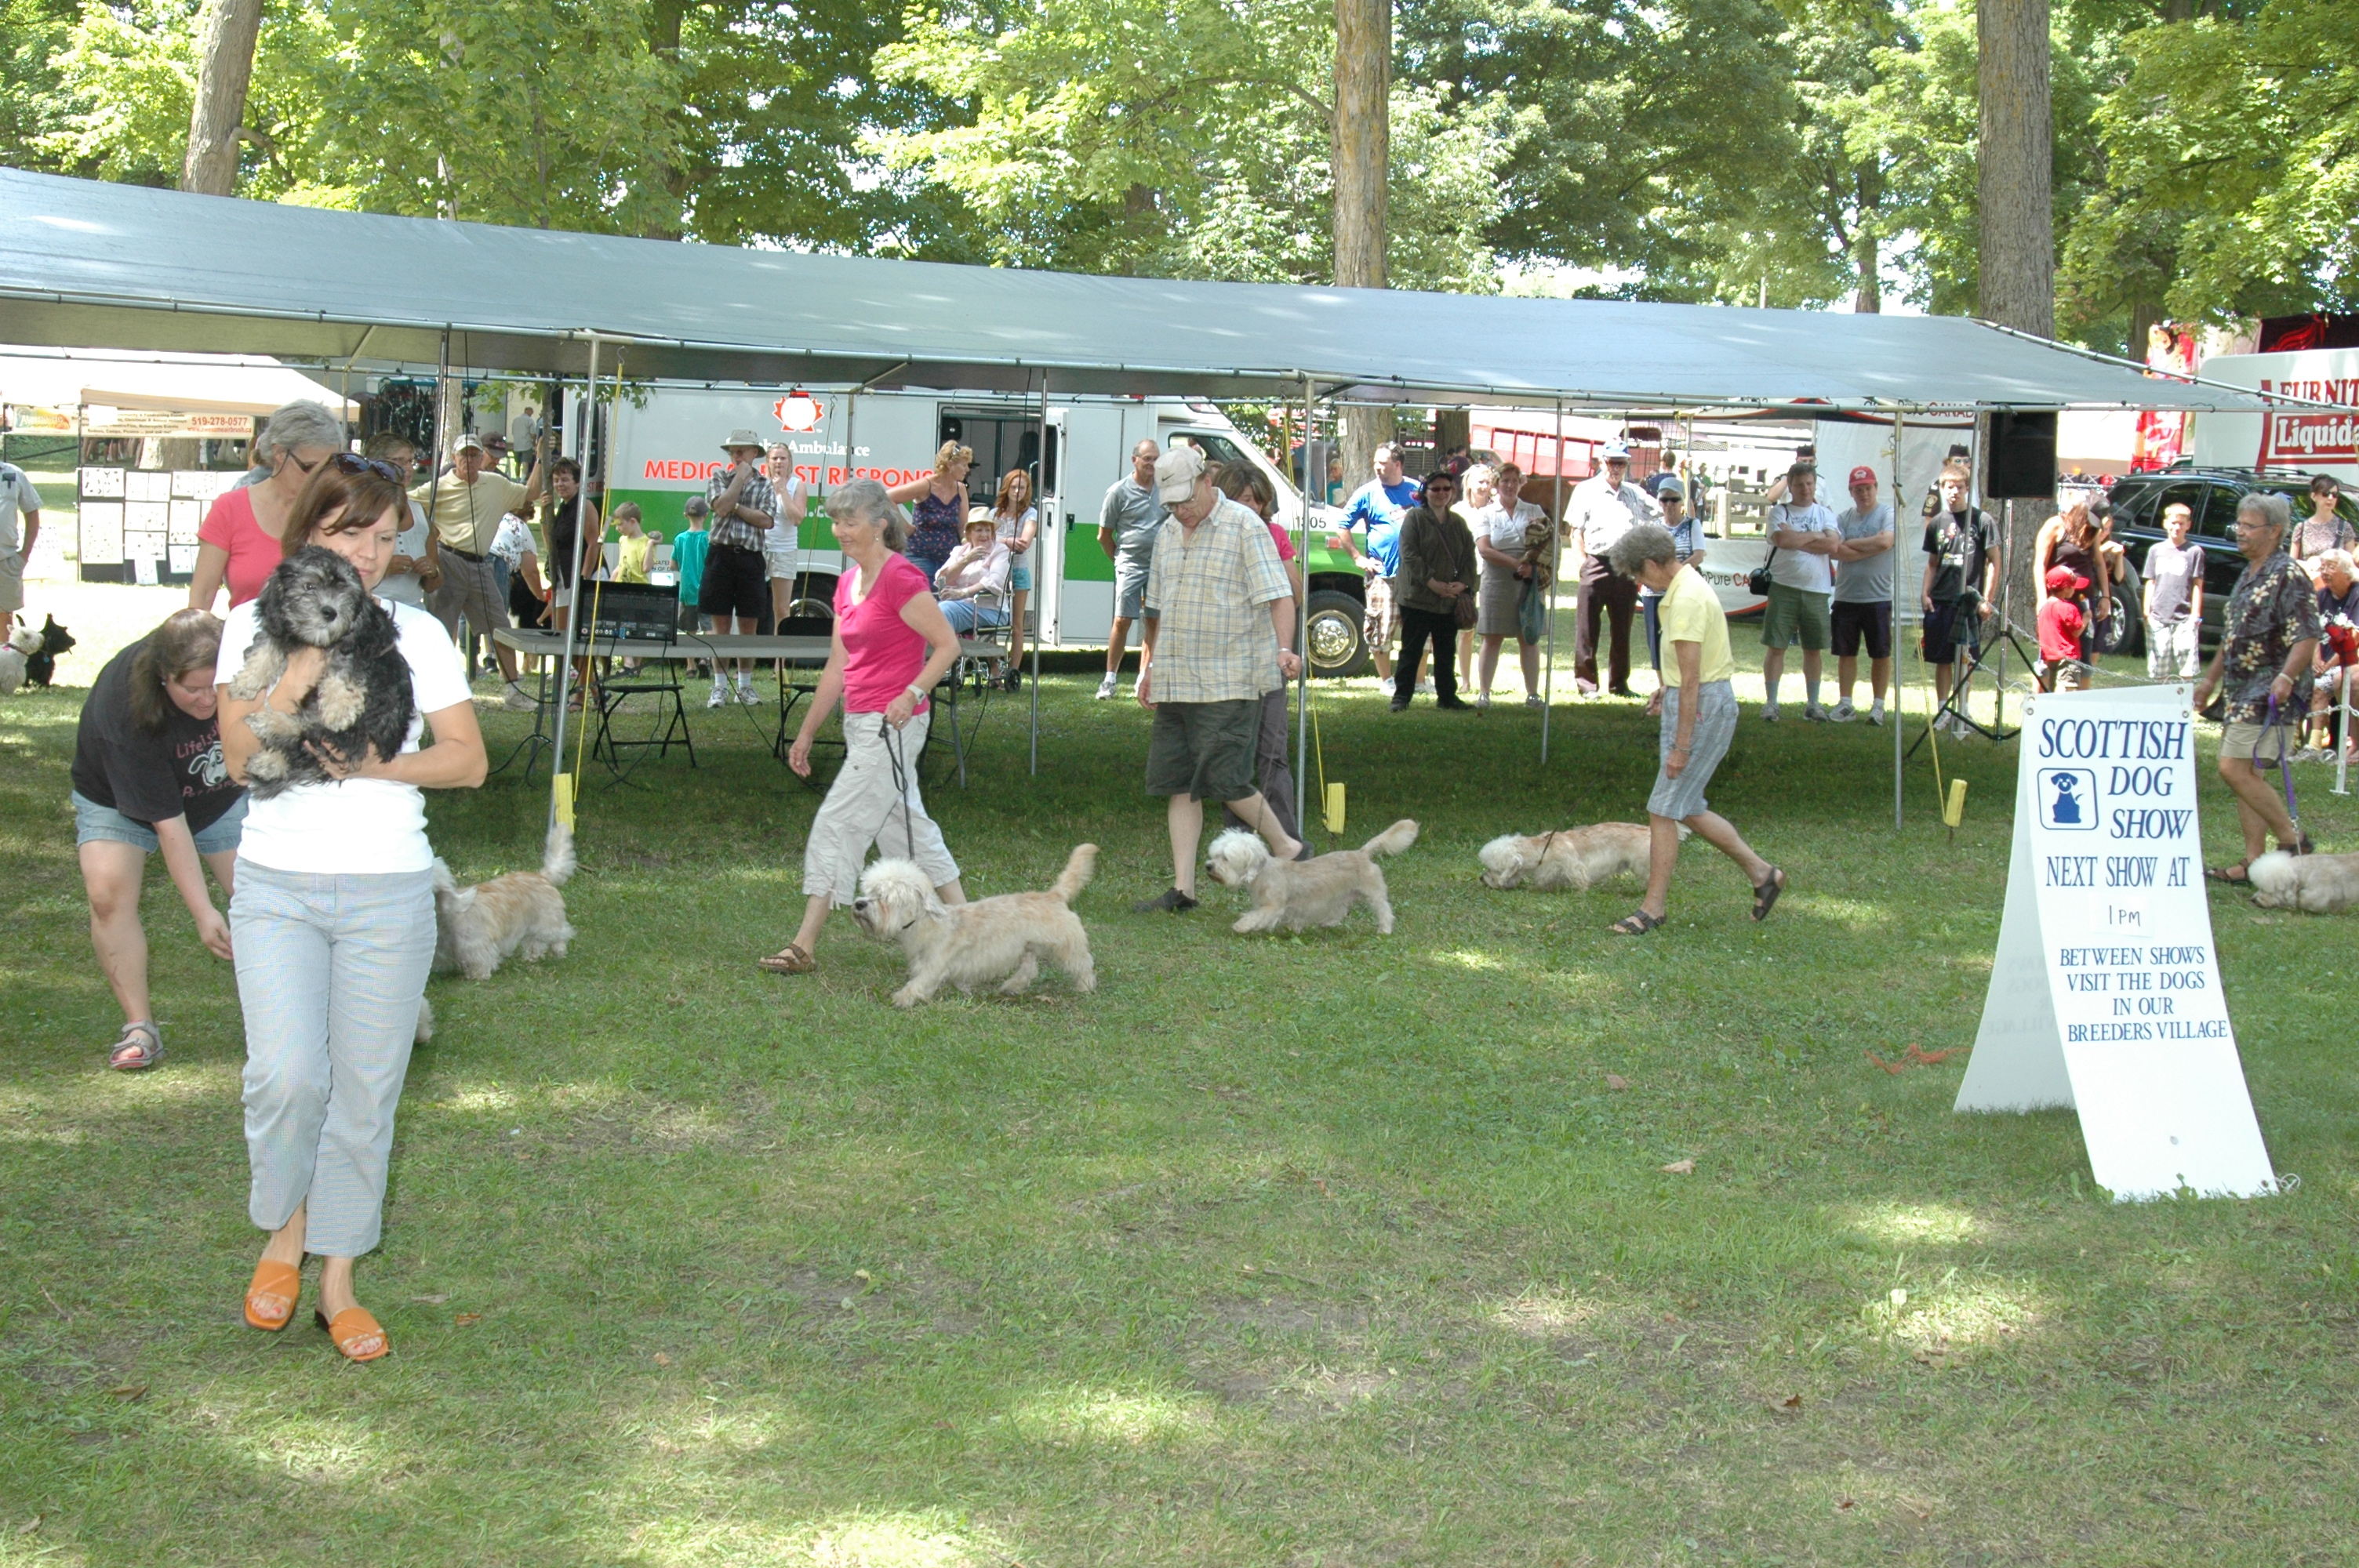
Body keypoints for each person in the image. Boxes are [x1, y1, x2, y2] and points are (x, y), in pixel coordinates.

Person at [215, 452, 486, 1364]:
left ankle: (335, 1281)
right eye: (348, 533)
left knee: (365, 1097)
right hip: (277, 886)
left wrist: (380, 765)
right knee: (286, 1077)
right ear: (308, 531)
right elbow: (234, 751)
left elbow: (468, 759)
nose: (370, 554)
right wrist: (298, 668)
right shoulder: (247, 629)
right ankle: (281, 1234)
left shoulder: (420, 634)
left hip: (387, 888)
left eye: (383, 535)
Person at [762, 480, 967, 975]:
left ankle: (804, 945)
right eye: (835, 521)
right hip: (861, 724)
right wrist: (807, 731)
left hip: (894, 727)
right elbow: (838, 664)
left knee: (838, 822)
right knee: (906, 827)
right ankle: (967, 928)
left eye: (849, 522)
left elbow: (947, 646)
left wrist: (911, 693)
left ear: (880, 525)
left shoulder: (902, 579)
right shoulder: (845, 583)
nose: (839, 531)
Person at [71, 609, 245, 1071]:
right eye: (193, 689)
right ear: (165, 677)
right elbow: (171, 828)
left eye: (217, 685)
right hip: (116, 796)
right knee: (107, 892)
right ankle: (139, 1027)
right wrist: (203, 912)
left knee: (260, 898)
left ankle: (294, 1018)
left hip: (219, 794)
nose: (209, 699)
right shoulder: (126, 710)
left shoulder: (246, 662)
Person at [1132, 445, 1303, 912]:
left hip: (1230, 678)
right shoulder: (1167, 532)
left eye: (1186, 500)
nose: (1180, 512)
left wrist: (1285, 649)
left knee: (1228, 780)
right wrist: (1151, 668)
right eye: (1171, 504)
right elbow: (1162, 610)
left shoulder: (1246, 526)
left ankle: (1288, 847)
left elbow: (1280, 596)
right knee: (1179, 782)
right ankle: (1183, 890)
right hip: (1177, 679)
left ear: (1208, 482)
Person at [1605, 522, 1784, 935]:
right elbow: (1684, 676)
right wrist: (1664, 690)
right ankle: (1763, 874)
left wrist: (1681, 746)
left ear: (1652, 563)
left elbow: (1693, 680)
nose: (1637, 583)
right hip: (1698, 701)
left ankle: (1653, 909)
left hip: (1702, 707)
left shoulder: (1685, 599)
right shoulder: (1685, 588)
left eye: (1637, 574)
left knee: (1662, 808)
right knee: (1686, 806)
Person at [2196, 492, 2321, 885]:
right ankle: (2253, 862)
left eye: (2249, 526)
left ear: (2275, 531)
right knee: (2248, 775)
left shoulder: (2289, 574)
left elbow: (2307, 634)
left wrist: (2286, 677)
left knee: (2233, 768)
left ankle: (2292, 840)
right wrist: (2210, 679)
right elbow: (2232, 637)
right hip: (2239, 688)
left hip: (2270, 690)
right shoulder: (2249, 573)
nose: (2240, 533)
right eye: (2240, 525)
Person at [409, 427, 544, 713]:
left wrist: (541, 458)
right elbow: (404, 502)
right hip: (448, 560)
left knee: (501, 629)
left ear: (480, 456)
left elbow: (531, 493)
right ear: (455, 458)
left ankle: (514, 692)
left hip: (482, 564)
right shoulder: (438, 486)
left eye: (473, 454)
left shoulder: (496, 484)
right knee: (440, 631)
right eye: (463, 455)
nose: (469, 460)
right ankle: (429, 694)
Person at [1212, 459, 1304, 844]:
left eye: (1257, 501)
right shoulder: (1211, 538)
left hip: (1269, 654)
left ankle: (1287, 839)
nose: (1252, 508)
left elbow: (1296, 595)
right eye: (1243, 500)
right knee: (1231, 749)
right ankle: (1236, 836)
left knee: (1272, 749)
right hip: (1227, 656)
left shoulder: (1276, 535)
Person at [191, 400, 346, 614]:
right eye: (310, 467)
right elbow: (202, 596)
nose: (320, 478)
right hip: (250, 641)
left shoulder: (337, 510)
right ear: (280, 454)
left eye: (328, 467)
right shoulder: (229, 509)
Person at [1567, 441, 1659, 698]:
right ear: (1601, 462)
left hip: (1625, 566)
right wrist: (1583, 565)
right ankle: (1587, 685)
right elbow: (1575, 532)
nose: (1616, 468)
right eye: (1611, 462)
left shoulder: (1635, 493)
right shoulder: (1586, 490)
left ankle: (1619, 684)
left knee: (1622, 629)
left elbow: (1662, 513)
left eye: (1621, 463)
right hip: (1596, 562)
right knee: (1587, 629)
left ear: (1627, 465)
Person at [1332, 443, 1421, 687]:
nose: (1378, 468)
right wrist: (1358, 558)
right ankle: (1388, 681)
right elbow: (1343, 526)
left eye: (1383, 463)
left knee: (1421, 629)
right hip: (1383, 575)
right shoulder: (1367, 493)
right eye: (1375, 463)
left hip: (1417, 575)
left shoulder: (1416, 491)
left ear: (1398, 464)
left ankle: (1420, 681)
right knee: (1381, 627)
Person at [1921, 463, 2000, 735]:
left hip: (1968, 601)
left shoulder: (1982, 521)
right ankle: (1944, 709)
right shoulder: (1937, 523)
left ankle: (1962, 710)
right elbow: (1932, 563)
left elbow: (1994, 562)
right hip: (1941, 598)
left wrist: (1986, 599)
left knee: (1965, 659)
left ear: (1968, 489)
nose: (1954, 492)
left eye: (1959, 487)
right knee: (1942, 659)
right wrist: (1924, 593)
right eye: (1949, 487)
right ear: (1942, 489)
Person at [1759, 461, 1841, 722]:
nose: (1805, 489)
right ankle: (1771, 703)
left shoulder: (1825, 514)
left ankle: (1813, 704)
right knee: (1776, 645)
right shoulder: (1779, 513)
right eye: (1799, 485)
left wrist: (1800, 538)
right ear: (1790, 487)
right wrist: (1815, 536)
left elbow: (1833, 545)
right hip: (1784, 587)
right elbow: (1782, 540)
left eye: (1809, 484)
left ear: (1815, 485)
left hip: (1816, 589)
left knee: (1813, 648)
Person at [700, 430, 776, 708]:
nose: (736, 456)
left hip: (751, 558)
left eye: (742, 451)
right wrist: (739, 481)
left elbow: (766, 521)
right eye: (733, 452)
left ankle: (745, 685)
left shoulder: (766, 485)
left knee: (749, 625)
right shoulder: (719, 477)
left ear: (754, 453)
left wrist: (735, 506)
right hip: (720, 555)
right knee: (720, 626)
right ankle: (719, 687)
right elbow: (719, 507)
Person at [1391, 470, 1478, 712]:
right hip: (1417, 597)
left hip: (1448, 599)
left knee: (1445, 650)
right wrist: (1432, 583)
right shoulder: (1414, 519)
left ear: (1453, 493)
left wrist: (1464, 584)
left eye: (1446, 489)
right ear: (1425, 493)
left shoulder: (1458, 523)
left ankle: (1447, 697)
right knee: (1411, 649)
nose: (1441, 493)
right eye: (1436, 489)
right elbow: (1409, 555)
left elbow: (1469, 557)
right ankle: (1401, 698)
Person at [1474, 461, 1551, 709]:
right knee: (1492, 636)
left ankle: (1532, 694)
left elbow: (1548, 544)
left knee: (1528, 637)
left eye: (1514, 481)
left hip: (1529, 579)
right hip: (1497, 581)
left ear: (1521, 484)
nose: (1509, 485)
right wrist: (1516, 564)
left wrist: (1533, 566)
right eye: (1505, 481)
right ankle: (1484, 693)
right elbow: (1484, 549)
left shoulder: (1534, 509)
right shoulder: (1485, 513)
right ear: (1497, 485)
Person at [1093, 440, 1166, 699]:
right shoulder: (1118, 492)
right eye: (1147, 458)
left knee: (1154, 621)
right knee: (1123, 620)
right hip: (1130, 563)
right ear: (1134, 460)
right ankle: (1109, 680)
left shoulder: (1165, 489)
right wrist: (1120, 561)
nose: (1152, 463)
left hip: (1160, 566)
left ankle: (1144, 678)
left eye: (1156, 458)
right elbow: (1104, 535)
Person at [1827, 464, 1896, 724]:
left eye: (1868, 488)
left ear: (1876, 488)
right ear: (1851, 492)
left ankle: (1878, 705)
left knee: (1880, 653)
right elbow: (1835, 550)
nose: (1864, 494)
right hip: (1847, 596)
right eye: (1859, 490)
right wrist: (1871, 546)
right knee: (1847, 652)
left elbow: (1885, 542)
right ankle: (1846, 703)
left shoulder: (1886, 513)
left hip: (1877, 596)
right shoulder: (1844, 518)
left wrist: (1852, 545)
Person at [1636, 481, 1706, 716]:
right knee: (1657, 646)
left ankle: (1685, 693)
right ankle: (1665, 692)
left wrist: (1675, 575)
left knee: (1684, 643)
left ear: (1682, 501)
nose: (1669, 505)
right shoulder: (1653, 528)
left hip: (1683, 594)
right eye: (1664, 500)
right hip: (1655, 594)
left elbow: (1698, 555)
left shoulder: (1692, 525)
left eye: (1674, 500)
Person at [359, 434, 439, 612]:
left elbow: (434, 585)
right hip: (369, 609)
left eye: (411, 461)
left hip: (412, 613)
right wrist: (385, 569)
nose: (408, 468)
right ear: (376, 464)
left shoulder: (419, 512)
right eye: (399, 461)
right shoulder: (359, 509)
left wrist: (431, 571)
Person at [886, 441, 973, 595]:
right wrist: (906, 529)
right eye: (964, 465)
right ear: (950, 464)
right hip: (920, 555)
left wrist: (967, 546)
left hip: (949, 557)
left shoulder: (960, 489)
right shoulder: (927, 485)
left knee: (945, 599)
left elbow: (962, 526)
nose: (967, 469)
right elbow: (888, 498)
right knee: (922, 596)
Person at [2034, 496, 2112, 656]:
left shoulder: (2092, 532)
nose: (2090, 525)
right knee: (2050, 657)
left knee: (2084, 657)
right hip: (2059, 600)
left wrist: (2105, 596)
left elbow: (2099, 563)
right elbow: (2040, 564)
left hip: (2084, 601)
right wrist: (2042, 599)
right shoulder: (2056, 525)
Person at [2300, 549, 2358, 762]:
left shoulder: (2357, 594)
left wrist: (2328, 664)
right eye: (2322, 567)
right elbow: (2314, 630)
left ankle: (2316, 746)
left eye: (2331, 567)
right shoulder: (2321, 595)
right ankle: (2292, 742)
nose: (2324, 572)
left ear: (2346, 571)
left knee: (2321, 685)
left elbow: (2353, 639)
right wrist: (2316, 658)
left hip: (2345, 661)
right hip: (2320, 660)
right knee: (2294, 679)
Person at [2142, 501, 2207, 681]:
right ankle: (2162, 701)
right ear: (2165, 523)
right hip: (2158, 615)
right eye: (2173, 523)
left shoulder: (2194, 552)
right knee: (2160, 660)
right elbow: (2151, 582)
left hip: (2185, 616)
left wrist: (2196, 615)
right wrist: (2147, 613)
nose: (2177, 527)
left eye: (2181, 523)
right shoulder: (2156, 550)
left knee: (2186, 663)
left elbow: (2197, 585)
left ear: (2188, 525)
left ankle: (2184, 701)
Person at [990, 467, 1040, 688]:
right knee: (989, 623)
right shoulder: (994, 514)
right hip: (993, 571)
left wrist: (1000, 540)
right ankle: (993, 670)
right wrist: (1009, 541)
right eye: (1014, 486)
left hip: (1018, 572)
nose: (1017, 491)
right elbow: (982, 541)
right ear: (1006, 488)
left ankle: (1012, 672)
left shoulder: (1031, 514)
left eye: (1022, 487)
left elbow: (1024, 543)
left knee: (1016, 626)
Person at [760, 441, 813, 630]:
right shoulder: (760, 483)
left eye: (783, 458)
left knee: (781, 608)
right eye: (775, 458)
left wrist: (782, 489)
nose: (779, 462)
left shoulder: (796, 485)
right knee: (752, 606)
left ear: (790, 461)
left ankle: (779, 659)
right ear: (767, 461)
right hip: (759, 549)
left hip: (784, 550)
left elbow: (797, 519)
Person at [1451, 465, 1495, 676]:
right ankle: (1465, 680)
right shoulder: (1457, 511)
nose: (1484, 487)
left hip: (1491, 574)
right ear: (1469, 484)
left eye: (1487, 482)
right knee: (1465, 628)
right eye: (1480, 482)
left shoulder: (1496, 510)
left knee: (1489, 630)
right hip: (1464, 575)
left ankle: (1485, 681)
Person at [935, 516, 1012, 636]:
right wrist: (965, 560)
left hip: (991, 610)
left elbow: (996, 581)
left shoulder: (1000, 551)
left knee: (945, 610)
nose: (984, 535)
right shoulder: (960, 551)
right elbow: (942, 579)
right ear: (969, 534)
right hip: (959, 606)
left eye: (988, 530)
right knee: (926, 612)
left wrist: (963, 593)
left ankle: (946, 651)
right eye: (979, 530)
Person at [0, 452, 39, 631]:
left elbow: (32, 513)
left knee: (4, 621)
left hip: (5, 562)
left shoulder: (14, 474)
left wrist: (24, 556)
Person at [2036, 566, 2089, 691]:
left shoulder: (2044, 607)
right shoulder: (2068, 608)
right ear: (2066, 589)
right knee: (2067, 688)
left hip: (2050, 656)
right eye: (2073, 586)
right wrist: (2086, 618)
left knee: (2053, 688)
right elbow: (2077, 631)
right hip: (2068, 657)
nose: (2075, 589)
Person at [2293, 474, 2354, 561]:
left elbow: (2351, 566)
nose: (2330, 498)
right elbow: (2292, 565)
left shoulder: (2345, 527)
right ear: (2314, 496)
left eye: (2334, 495)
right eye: (2326, 494)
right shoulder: (2301, 528)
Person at [611, 503, 657, 583]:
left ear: (633, 521)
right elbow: (621, 566)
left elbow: (646, 568)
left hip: (639, 589)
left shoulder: (647, 542)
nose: (617, 529)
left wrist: (650, 544)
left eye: (620, 524)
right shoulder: (623, 540)